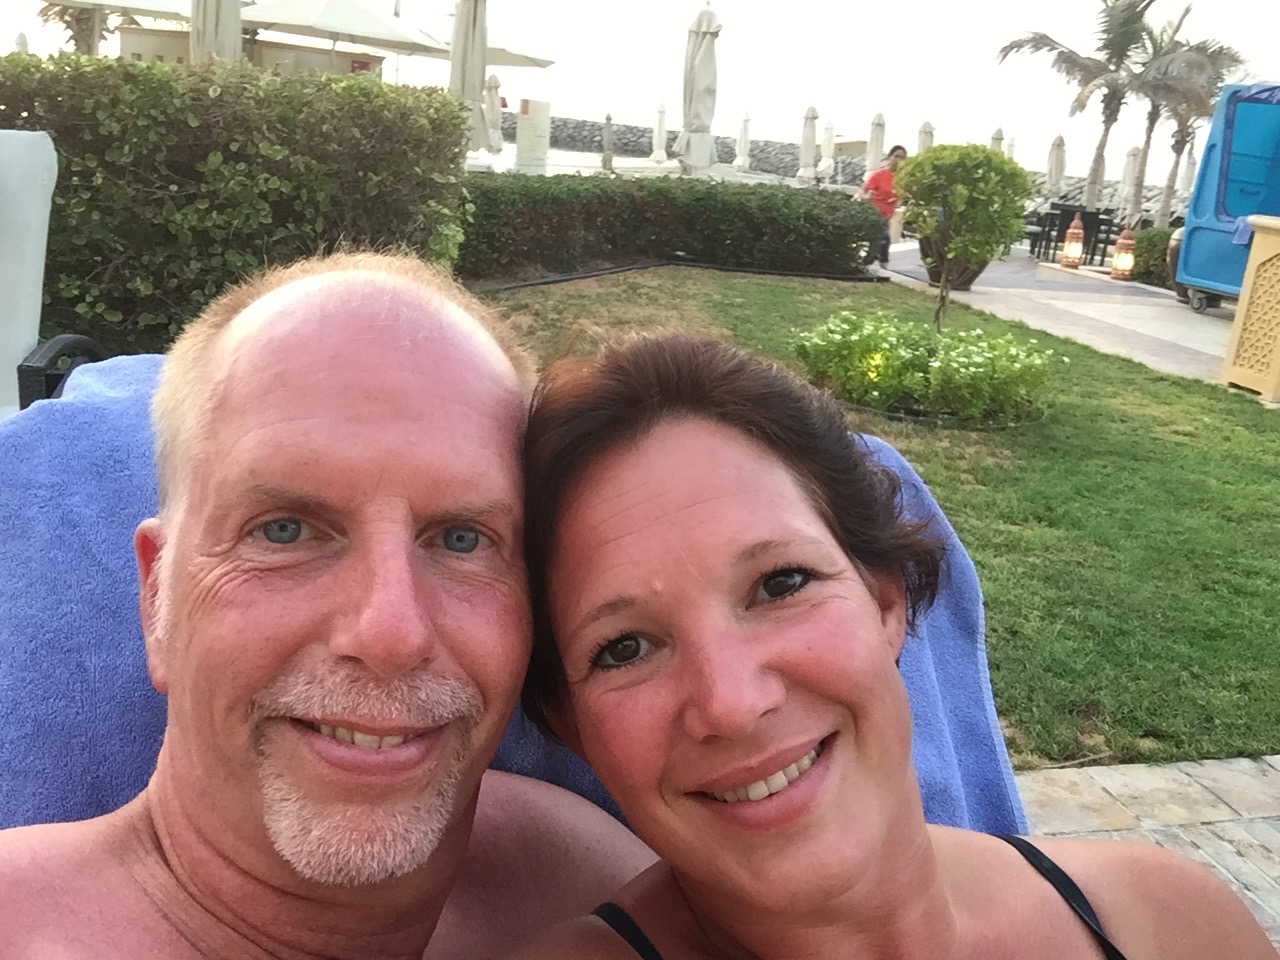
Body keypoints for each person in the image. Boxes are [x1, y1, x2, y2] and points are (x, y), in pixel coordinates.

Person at [510, 332, 1276, 960]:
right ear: (569, 725)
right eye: (624, 648)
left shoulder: (1167, 923)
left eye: (780, 584)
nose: (732, 703)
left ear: (885, 601)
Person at [0, 252, 655, 960]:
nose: (390, 633)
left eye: (463, 539)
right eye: (284, 531)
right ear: (157, 594)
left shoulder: (595, 892)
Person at [862, 143, 908, 271]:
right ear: (889, 157)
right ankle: (882, 263)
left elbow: (902, 196)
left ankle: (869, 263)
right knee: (884, 238)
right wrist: (867, 197)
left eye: (902, 158)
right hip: (874, 211)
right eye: (896, 156)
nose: (899, 160)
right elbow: (864, 191)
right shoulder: (880, 174)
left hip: (887, 214)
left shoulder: (902, 179)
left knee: (878, 240)